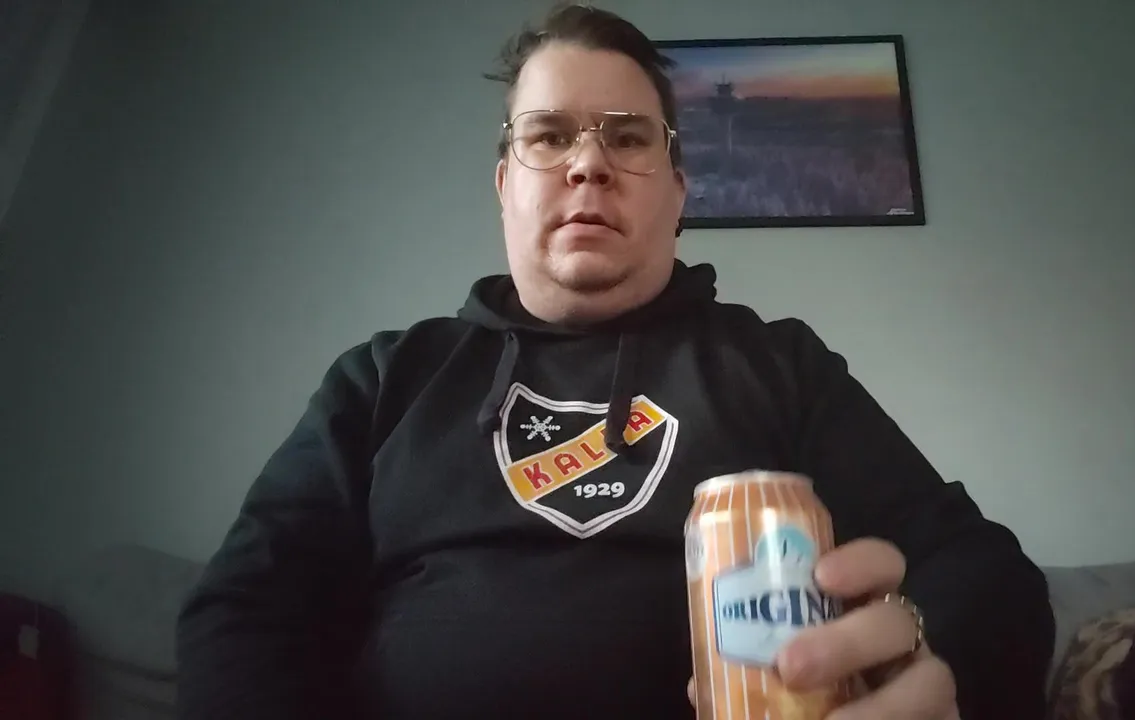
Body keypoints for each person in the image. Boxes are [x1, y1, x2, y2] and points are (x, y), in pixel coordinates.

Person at [175, 5, 1055, 719]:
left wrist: (927, 653)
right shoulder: (382, 381)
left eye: (629, 138)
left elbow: (986, 575)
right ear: (505, 186)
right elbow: (244, 614)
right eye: (549, 135)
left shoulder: (780, 364)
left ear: (678, 193)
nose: (589, 163)